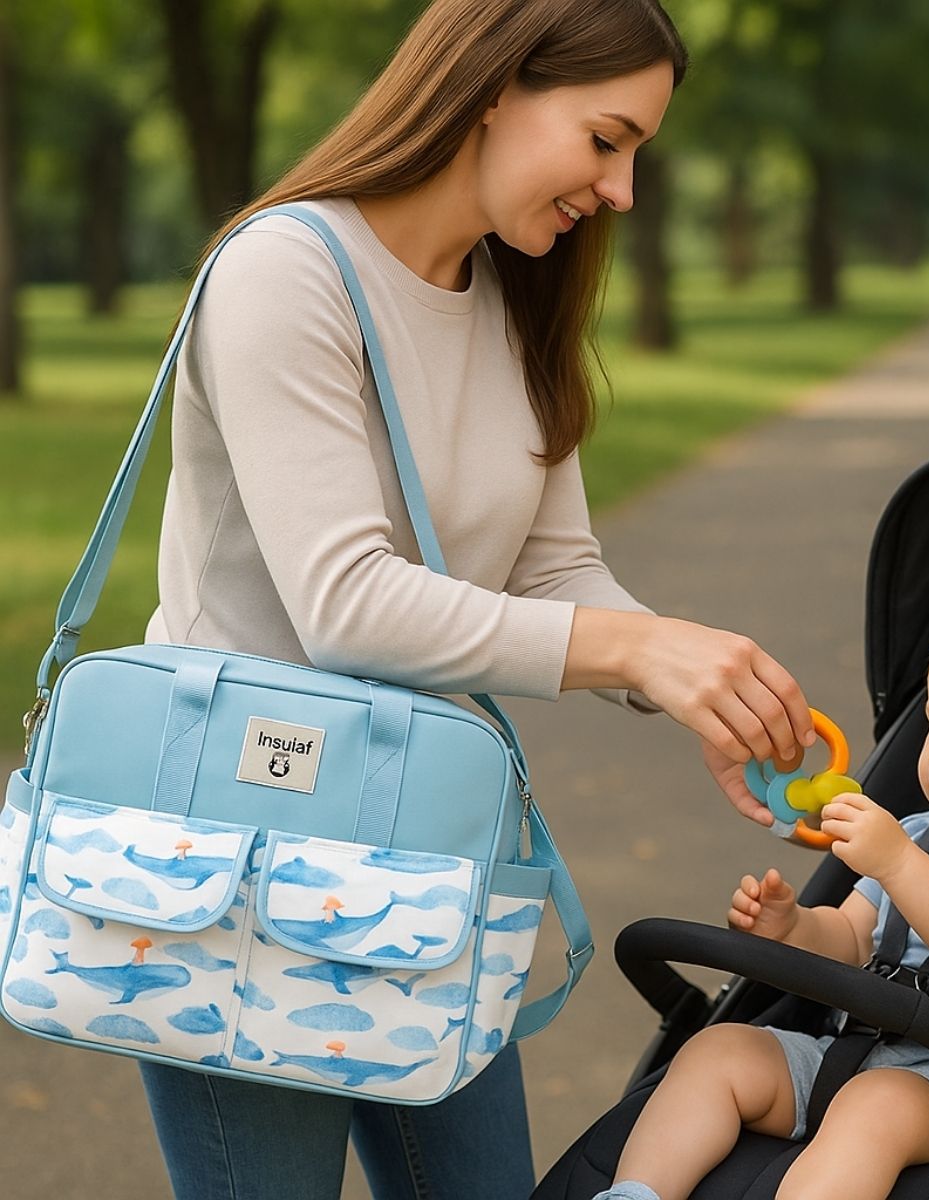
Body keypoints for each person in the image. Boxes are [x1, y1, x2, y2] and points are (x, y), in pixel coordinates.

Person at [139, 1, 817, 1197]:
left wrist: (693, 670)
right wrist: (636, 653)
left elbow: (552, 570)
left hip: (423, 856)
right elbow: (347, 603)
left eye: (638, 155)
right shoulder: (286, 270)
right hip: (242, 854)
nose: (621, 191)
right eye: (607, 139)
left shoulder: (511, 294)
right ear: (495, 85)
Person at [593, 601, 929, 1200]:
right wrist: (793, 926)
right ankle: (637, 1192)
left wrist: (899, 865)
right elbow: (851, 941)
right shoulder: (914, 833)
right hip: (852, 1047)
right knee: (718, 1048)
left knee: (875, 1106)